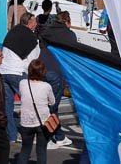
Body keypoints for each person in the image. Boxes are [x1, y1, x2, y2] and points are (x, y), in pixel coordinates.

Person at [38, 11, 76, 149]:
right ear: (67, 22)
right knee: (52, 106)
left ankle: (60, 136)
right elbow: (71, 55)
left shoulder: (47, 31)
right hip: (56, 71)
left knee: (50, 105)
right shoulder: (69, 34)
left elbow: (42, 46)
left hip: (42, 68)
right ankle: (46, 138)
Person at [1, 12, 41, 142]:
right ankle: (30, 134)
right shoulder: (31, 38)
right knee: (30, 103)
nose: (36, 24)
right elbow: (32, 61)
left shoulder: (12, 32)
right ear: (29, 23)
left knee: (7, 106)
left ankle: (11, 135)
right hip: (17, 72)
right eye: (35, 22)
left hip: (3, 70)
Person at [18, 59, 55, 164]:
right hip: (42, 121)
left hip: (25, 121)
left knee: (25, 149)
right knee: (41, 150)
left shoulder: (22, 83)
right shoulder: (46, 86)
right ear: (43, 71)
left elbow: (22, 96)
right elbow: (52, 102)